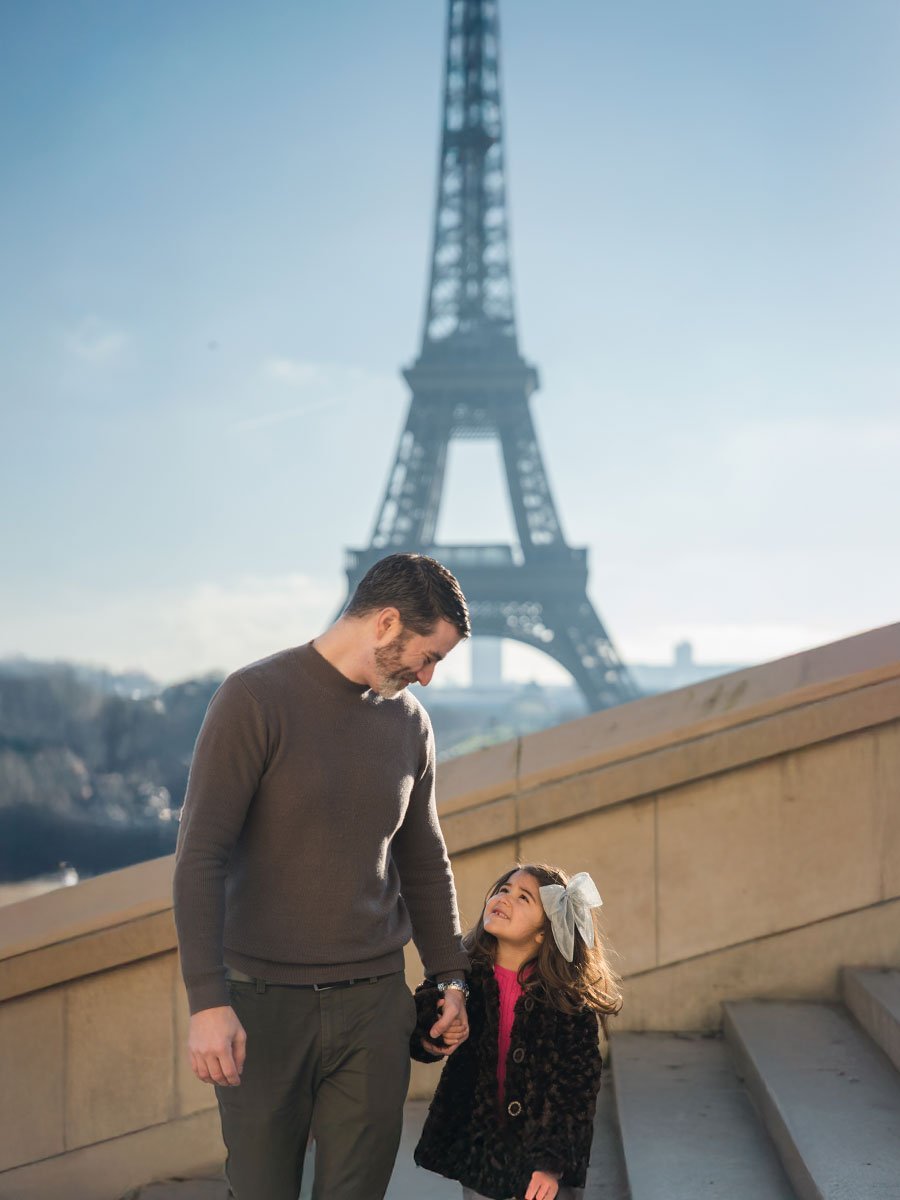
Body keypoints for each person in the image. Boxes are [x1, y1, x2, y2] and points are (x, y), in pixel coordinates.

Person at [173, 552, 473, 1200]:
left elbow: (423, 857)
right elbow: (200, 855)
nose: (427, 677)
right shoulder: (253, 698)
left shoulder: (410, 724)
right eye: (429, 657)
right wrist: (207, 1000)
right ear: (386, 622)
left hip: (374, 1007)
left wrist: (449, 973)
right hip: (260, 1007)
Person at [411, 863, 623, 1200]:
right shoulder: (464, 973)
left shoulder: (564, 998)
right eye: (504, 889)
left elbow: (576, 1085)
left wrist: (553, 1161)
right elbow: (424, 1013)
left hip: (541, 1151)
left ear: (544, 932)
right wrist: (434, 1027)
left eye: (524, 897)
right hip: (481, 1144)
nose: (505, 897)